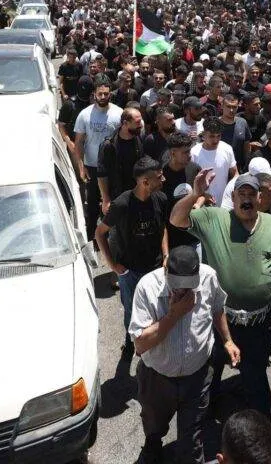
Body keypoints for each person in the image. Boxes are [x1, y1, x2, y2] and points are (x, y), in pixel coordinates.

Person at [170, 172, 271, 418]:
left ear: (259, 197)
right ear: (233, 197)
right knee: (211, 372)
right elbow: (176, 219)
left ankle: (260, 428)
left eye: (251, 195)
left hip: (260, 323)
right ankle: (204, 417)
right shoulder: (214, 218)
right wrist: (195, 193)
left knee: (256, 374)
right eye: (241, 195)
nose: (246, 200)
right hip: (220, 319)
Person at [129, 244, 237, 464]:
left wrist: (228, 340)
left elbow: (217, 308)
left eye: (189, 286)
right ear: (166, 270)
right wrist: (174, 314)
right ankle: (153, 444)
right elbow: (140, 345)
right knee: (154, 423)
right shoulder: (147, 287)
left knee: (192, 435)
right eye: (177, 286)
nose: (183, 292)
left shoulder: (208, 277)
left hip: (197, 376)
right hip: (157, 377)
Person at [95, 156, 170, 352]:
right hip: (130, 271)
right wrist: (113, 265)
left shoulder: (160, 199)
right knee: (131, 310)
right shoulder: (122, 205)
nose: (163, 180)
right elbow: (99, 233)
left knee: (157, 307)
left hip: (155, 269)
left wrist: (166, 254)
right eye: (159, 177)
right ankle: (131, 343)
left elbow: (162, 228)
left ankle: (153, 342)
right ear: (145, 182)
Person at [73, 75, 122, 239]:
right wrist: (81, 166)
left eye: (106, 94)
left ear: (110, 94)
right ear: (94, 94)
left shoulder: (118, 113)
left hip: (113, 167)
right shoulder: (84, 115)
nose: (103, 97)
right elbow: (79, 142)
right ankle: (91, 235)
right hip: (92, 166)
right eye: (100, 94)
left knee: (113, 202)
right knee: (93, 202)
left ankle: (113, 234)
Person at [97, 107, 145, 210]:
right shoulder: (108, 145)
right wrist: (106, 199)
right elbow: (102, 174)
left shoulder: (138, 138)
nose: (141, 125)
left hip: (136, 193)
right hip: (116, 196)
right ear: (125, 123)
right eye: (137, 122)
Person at [191, 125, 238, 213]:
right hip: (200, 206)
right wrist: (203, 196)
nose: (216, 140)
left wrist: (231, 195)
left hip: (224, 206)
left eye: (218, 136)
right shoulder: (193, 152)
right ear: (204, 135)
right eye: (212, 136)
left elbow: (235, 173)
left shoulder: (227, 149)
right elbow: (190, 181)